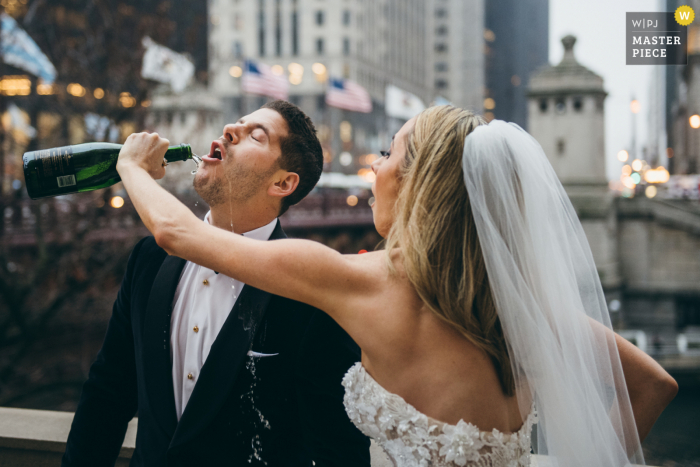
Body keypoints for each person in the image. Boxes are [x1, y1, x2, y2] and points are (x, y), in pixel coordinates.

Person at [115, 105, 678, 466]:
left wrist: (132, 168)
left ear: (418, 184)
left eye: (388, 153)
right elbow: (653, 384)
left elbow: (175, 232)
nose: (375, 169)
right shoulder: (506, 303)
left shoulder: (360, 282)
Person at [62, 100, 371, 467]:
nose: (229, 129)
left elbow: (339, 449)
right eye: (236, 123)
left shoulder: (310, 292)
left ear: (283, 182)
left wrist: (130, 166)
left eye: (256, 135)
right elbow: (107, 394)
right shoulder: (149, 259)